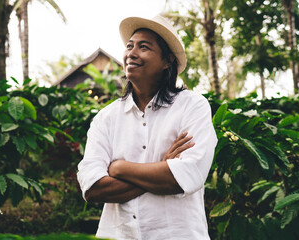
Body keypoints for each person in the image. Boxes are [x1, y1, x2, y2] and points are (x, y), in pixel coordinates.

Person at [77, 15, 217, 240]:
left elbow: (185, 177)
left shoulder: (192, 107)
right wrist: (161, 167)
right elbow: (93, 189)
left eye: (144, 47)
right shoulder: (106, 118)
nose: (131, 53)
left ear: (167, 61)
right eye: (129, 46)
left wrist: (120, 167)